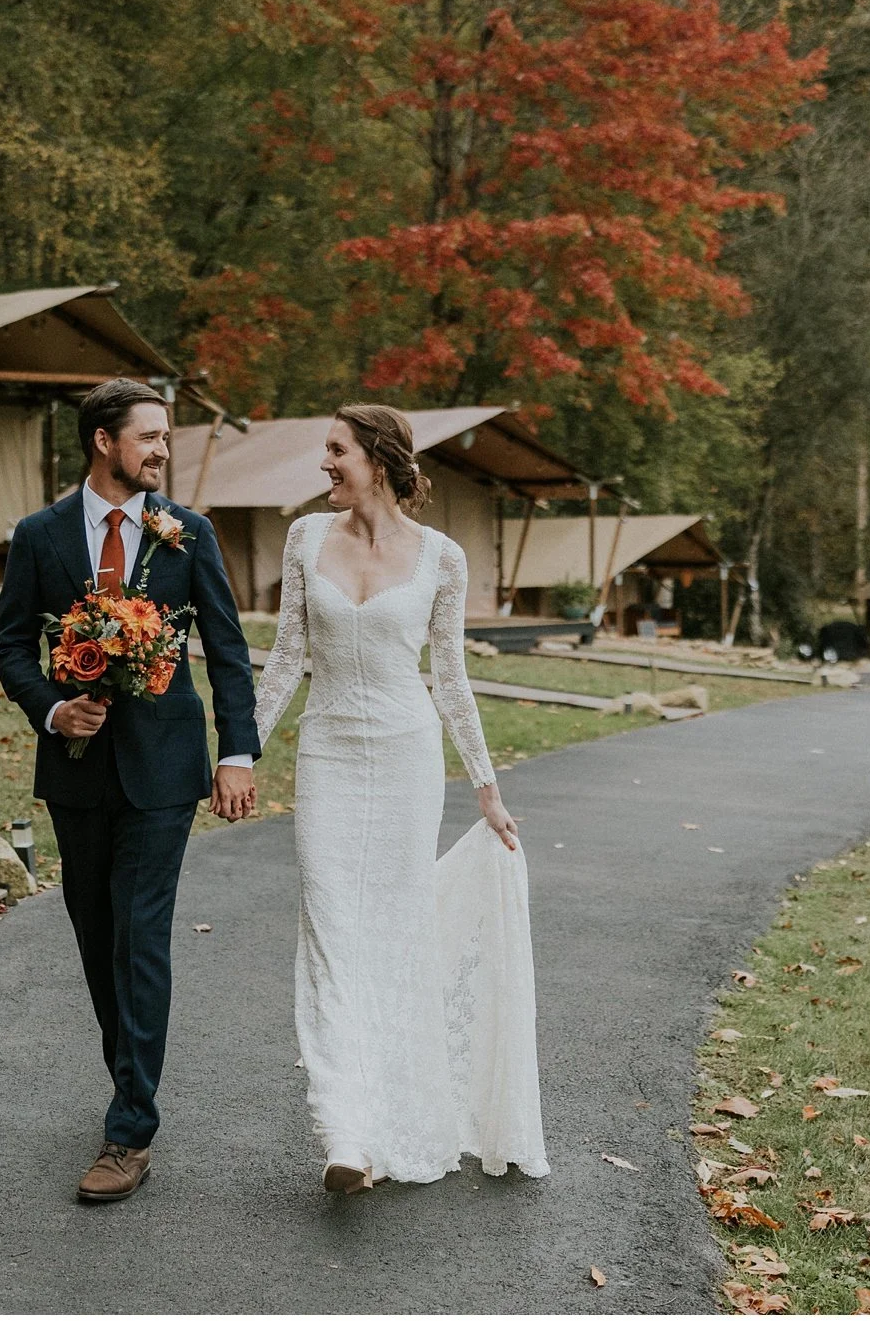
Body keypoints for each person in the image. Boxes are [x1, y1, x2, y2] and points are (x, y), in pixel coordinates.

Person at [253, 404, 549, 1193]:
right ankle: (344, 1129)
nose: (324, 463)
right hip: (328, 752)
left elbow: (449, 681)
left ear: (377, 461)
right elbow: (285, 658)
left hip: (407, 756)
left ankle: (382, 1122)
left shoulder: (442, 558)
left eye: (336, 450)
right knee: (330, 927)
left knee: (390, 931)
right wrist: (239, 752)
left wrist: (487, 790)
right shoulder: (305, 539)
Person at [0, 378, 260, 1203]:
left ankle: (129, 1129)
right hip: (76, 773)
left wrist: (237, 750)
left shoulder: (188, 534)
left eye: (166, 438)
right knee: (97, 934)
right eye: (148, 437)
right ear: (104, 440)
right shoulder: (39, 535)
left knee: (140, 934)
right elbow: (8, 647)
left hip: (164, 771)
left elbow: (226, 643)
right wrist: (52, 708)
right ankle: (127, 1078)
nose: (161, 450)